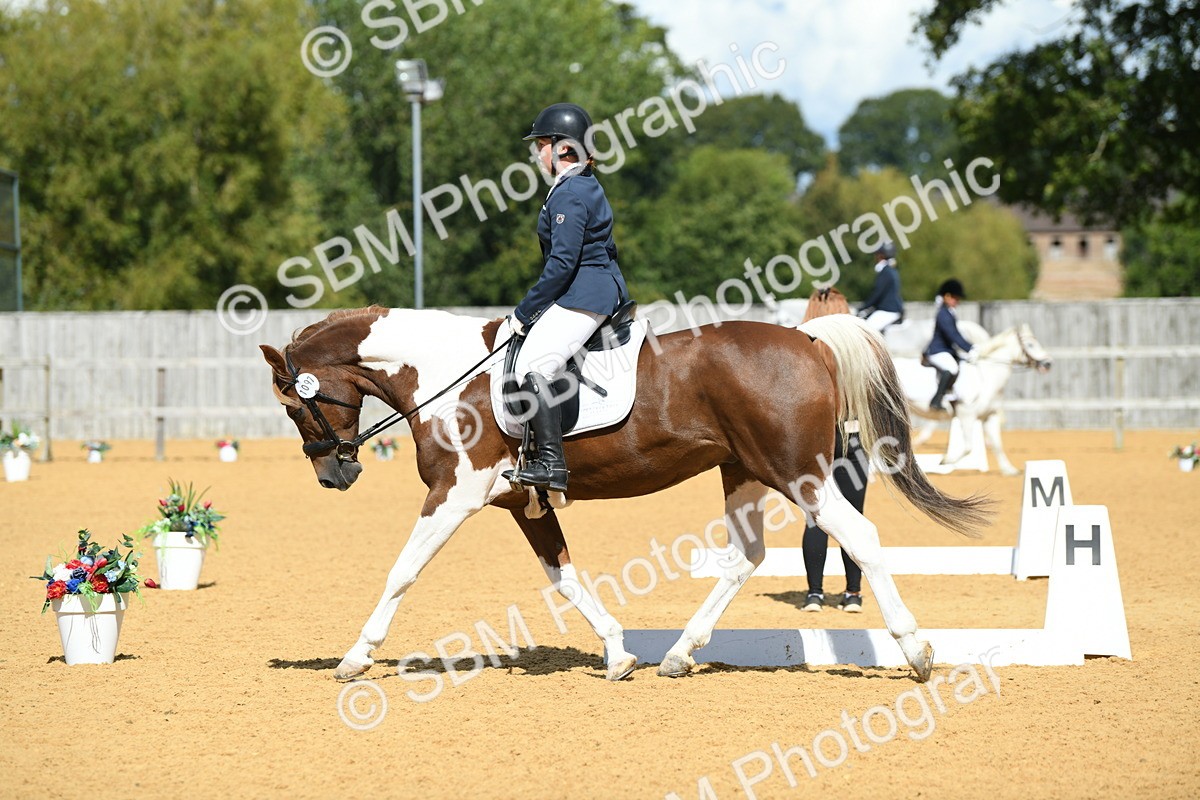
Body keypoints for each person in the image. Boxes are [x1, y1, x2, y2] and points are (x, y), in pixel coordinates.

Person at [501, 103, 628, 493]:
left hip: (584, 294)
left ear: (563, 148)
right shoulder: (580, 185)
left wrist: (524, 311)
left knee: (531, 367)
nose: (536, 153)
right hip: (593, 288)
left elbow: (561, 264)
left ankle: (552, 464)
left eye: (541, 143)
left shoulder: (570, 193)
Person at [800, 288, 868, 613]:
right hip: (853, 435)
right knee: (854, 517)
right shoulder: (856, 347)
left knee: (816, 518)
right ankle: (853, 593)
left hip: (816, 441)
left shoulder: (801, 347)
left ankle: (814, 593)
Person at [924, 278, 977, 412]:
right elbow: (952, 335)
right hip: (937, 351)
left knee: (961, 362)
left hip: (946, 350)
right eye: (955, 298)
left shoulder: (949, 312)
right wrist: (969, 348)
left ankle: (952, 394)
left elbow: (956, 334)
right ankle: (936, 400)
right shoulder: (943, 313)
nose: (957, 301)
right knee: (952, 368)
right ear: (946, 296)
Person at [857, 242, 903, 332]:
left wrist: (863, 308)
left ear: (881, 255)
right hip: (890, 309)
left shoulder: (885, 272)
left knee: (865, 331)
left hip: (887, 310)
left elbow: (877, 294)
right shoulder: (891, 270)